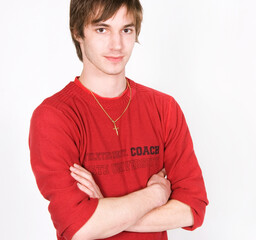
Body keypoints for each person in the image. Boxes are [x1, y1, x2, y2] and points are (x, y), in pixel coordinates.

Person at [28, 0, 208, 239]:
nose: (117, 45)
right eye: (102, 29)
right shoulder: (54, 117)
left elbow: (192, 208)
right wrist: (154, 195)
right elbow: (78, 227)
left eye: (126, 30)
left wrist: (104, 210)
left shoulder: (164, 108)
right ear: (77, 32)